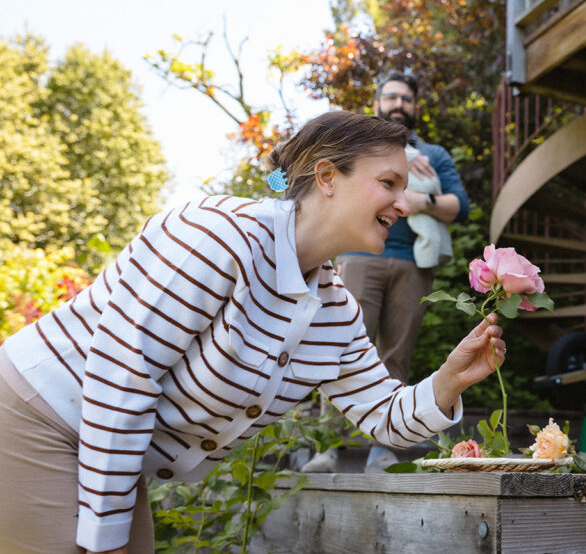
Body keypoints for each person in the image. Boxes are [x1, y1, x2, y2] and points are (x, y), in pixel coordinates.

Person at [0, 110, 505, 554]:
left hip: (103, 442)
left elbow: (384, 417)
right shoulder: (218, 235)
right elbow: (124, 376)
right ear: (327, 176)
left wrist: (449, 380)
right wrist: (105, 540)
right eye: (390, 183)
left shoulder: (334, 311)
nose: (404, 202)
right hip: (39, 413)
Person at [319, 70, 470, 473]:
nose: (398, 104)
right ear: (377, 104)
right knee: (336, 349)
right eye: (391, 97)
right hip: (357, 258)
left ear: (415, 107)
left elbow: (461, 206)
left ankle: (381, 450)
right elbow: (310, 180)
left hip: (411, 262)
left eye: (405, 98)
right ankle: (328, 448)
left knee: (394, 357)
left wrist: (423, 199)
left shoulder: (434, 155)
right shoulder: (358, 147)